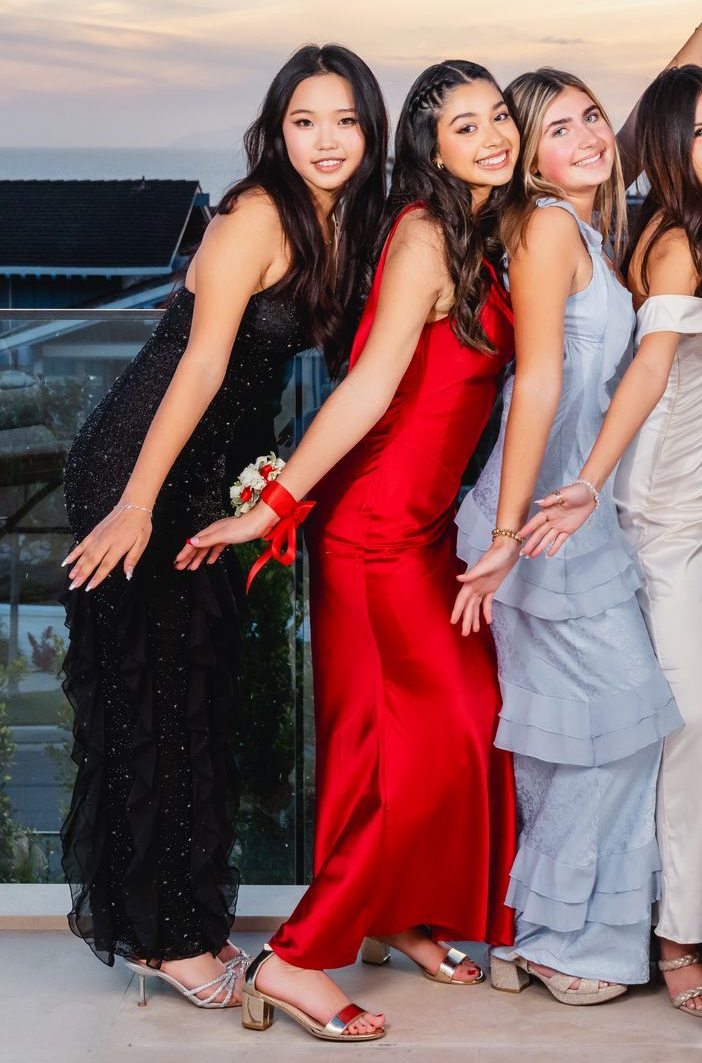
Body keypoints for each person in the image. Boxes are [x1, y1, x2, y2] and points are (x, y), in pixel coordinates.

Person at [182, 60, 524, 1043]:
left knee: (398, 739)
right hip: (373, 528)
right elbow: (369, 390)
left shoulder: (481, 234)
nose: (493, 134)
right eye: (465, 125)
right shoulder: (422, 235)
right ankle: (296, 957)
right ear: (429, 146)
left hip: (418, 528)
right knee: (441, 732)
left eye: (499, 115)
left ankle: (395, 913)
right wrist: (276, 502)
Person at [59, 44, 380, 1009]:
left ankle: (182, 924)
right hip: (146, 466)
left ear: (370, 130)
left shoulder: (341, 219)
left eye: (345, 122)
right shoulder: (256, 216)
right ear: (275, 131)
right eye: (304, 122)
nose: (326, 142)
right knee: (154, 701)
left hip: (207, 478)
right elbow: (199, 368)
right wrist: (138, 502)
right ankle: (164, 939)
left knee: (192, 700)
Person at [450, 67, 680, 1006]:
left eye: (594, 116)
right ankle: (561, 939)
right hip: (537, 512)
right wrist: (507, 533)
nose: (588, 136)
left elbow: (640, 119)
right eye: (560, 128)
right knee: (619, 724)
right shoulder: (547, 225)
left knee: (568, 733)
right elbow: (538, 381)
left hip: (562, 510)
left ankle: (543, 936)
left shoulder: (587, 225)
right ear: (530, 158)